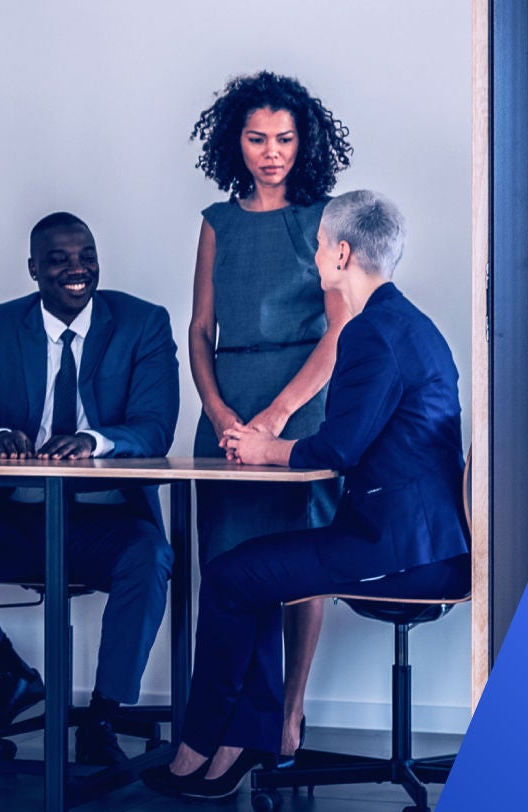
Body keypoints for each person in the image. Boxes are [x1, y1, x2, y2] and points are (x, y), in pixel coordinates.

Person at [142, 191, 469, 800]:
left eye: (320, 244)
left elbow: (338, 450)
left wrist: (267, 448)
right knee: (252, 570)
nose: (315, 254)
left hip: (398, 551)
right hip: (417, 538)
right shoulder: (403, 323)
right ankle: (238, 739)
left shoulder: (373, 334)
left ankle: (202, 746)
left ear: (342, 253)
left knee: (232, 576)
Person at [0, 212, 179, 766]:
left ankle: (103, 715)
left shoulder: (143, 324)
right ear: (34, 268)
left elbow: (155, 427)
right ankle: (12, 673)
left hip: (102, 521)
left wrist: (93, 439)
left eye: (86, 255)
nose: (76, 268)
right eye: (59, 259)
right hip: (16, 516)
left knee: (150, 555)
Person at [188, 71, 354, 761]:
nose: (272, 152)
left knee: (296, 569)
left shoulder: (326, 220)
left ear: (303, 141)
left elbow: (340, 333)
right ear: (237, 142)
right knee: (227, 571)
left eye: (284, 138)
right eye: (257, 138)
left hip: (301, 408)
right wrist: (225, 412)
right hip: (226, 412)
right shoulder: (216, 222)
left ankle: (288, 715)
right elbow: (199, 331)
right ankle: (230, 728)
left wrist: (275, 417)